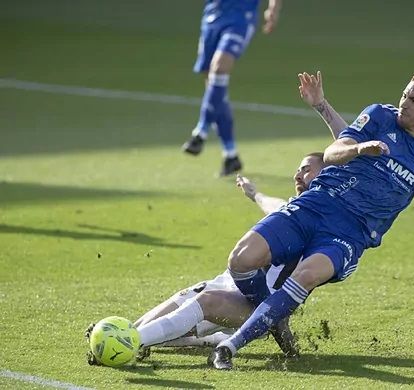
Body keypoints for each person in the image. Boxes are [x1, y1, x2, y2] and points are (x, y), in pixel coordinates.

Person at [208, 71, 414, 370]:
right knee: (241, 259)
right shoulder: (378, 115)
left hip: (351, 233)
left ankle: (230, 346)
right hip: (316, 205)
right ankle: (274, 318)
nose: (404, 103)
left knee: (307, 275)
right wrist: (359, 148)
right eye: (404, 95)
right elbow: (333, 151)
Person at [86, 71, 343, 365]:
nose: (298, 174)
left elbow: (301, 278)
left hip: (254, 304)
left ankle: (126, 343)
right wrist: (255, 194)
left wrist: (279, 321)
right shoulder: (294, 213)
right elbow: (276, 206)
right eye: (298, 168)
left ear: (328, 174)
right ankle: (138, 336)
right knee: (178, 305)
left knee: (202, 305)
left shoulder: (320, 227)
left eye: (307, 169)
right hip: (227, 284)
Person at [181, 0, 283, 176]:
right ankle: (231, 155)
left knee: (219, 69)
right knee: (215, 91)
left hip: (240, 18)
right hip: (211, 18)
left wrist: (273, 8)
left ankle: (200, 132)